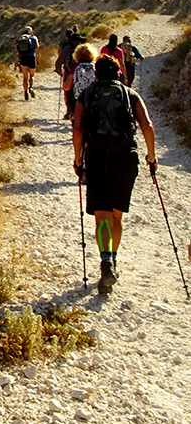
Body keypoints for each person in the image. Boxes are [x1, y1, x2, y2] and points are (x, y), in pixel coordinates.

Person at [72, 54, 157, 294]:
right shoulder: (130, 95)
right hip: (125, 158)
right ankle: (114, 259)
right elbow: (147, 126)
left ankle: (105, 261)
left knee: (102, 217)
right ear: (118, 73)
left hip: (97, 158)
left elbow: (77, 130)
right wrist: (151, 156)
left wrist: (78, 159)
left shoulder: (86, 95)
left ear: (96, 74)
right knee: (117, 216)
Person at [63, 43, 97, 120]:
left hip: (79, 101)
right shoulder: (96, 66)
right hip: (94, 101)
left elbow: (67, 87)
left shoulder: (76, 67)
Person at [15, 26, 38, 100]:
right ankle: (31, 87)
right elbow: (37, 47)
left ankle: (25, 92)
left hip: (23, 58)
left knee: (25, 77)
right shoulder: (34, 38)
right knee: (32, 75)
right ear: (30, 31)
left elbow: (17, 49)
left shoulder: (20, 39)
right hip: (31, 58)